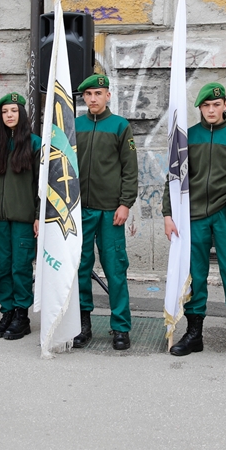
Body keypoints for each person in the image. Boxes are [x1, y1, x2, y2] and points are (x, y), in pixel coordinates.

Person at [163, 82, 226, 365]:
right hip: (192, 216)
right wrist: (168, 214)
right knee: (195, 275)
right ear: (199, 109)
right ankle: (194, 334)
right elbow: (172, 178)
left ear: (225, 105)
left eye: (216, 105)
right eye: (206, 106)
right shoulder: (187, 136)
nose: (211, 110)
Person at [73, 75, 138, 351]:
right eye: (88, 94)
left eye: (98, 93)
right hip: (81, 211)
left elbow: (129, 169)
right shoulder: (75, 126)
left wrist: (125, 203)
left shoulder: (120, 126)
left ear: (108, 95)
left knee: (115, 269)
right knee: (80, 269)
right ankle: (82, 324)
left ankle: (120, 327)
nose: (93, 99)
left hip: (111, 211)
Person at [0, 92, 42, 341]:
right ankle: (6, 311)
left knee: (20, 267)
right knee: (4, 267)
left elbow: (43, 185)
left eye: (14, 111)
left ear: (22, 114)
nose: (9, 115)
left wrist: (39, 215)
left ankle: (22, 315)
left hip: (23, 218)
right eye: (5, 111)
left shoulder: (34, 143)